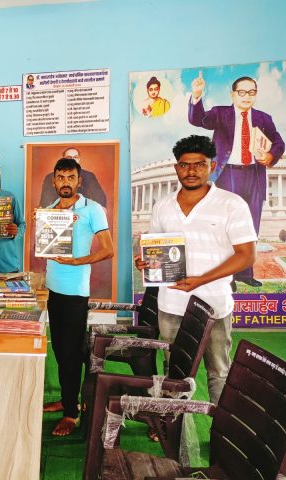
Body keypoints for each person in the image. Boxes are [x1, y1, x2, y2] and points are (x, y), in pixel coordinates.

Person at [135, 135, 257, 404]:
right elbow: (156, 250)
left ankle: (219, 426)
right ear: (176, 168)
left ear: (211, 166)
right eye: (184, 165)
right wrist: (144, 262)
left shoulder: (231, 204)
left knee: (219, 372)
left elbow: (247, 255)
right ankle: (175, 423)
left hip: (215, 305)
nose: (191, 171)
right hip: (171, 304)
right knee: (174, 373)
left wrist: (202, 279)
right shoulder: (163, 206)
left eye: (199, 164)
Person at [188, 73, 284, 288]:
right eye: (242, 92)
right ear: (233, 94)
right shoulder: (220, 114)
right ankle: (227, 277)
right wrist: (196, 96)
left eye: (251, 92)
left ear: (256, 95)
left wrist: (270, 156)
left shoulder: (263, 118)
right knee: (226, 227)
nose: (246, 96)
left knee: (250, 226)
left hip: (255, 175)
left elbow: (279, 142)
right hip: (228, 174)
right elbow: (197, 119)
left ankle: (245, 274)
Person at [41, 157, 114, 436]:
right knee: (60, 351)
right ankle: (67, 400)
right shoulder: (50, 210)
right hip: (54, 289)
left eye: (71, 177)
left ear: (79, 181)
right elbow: (46, 247)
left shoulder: (92, 209)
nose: (66, 182)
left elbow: (108, 250)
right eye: (61, 177)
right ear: (54, 181)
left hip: (75, 293)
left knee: (71, 353)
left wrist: (77, 261)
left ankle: (72, 414)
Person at [39, 147, 107, 212]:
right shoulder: (50, 177)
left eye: (75, 157)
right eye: (69, 157)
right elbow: (44, 202)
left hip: (82, 212)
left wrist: (99, 210)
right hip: (58, 213)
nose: (72, 160)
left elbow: (99, 198)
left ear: (79, 159)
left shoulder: (89, 176)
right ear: (63, 159)